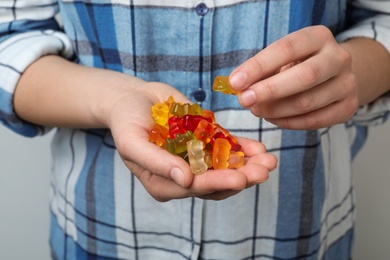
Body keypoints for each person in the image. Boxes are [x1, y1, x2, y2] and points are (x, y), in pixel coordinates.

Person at [1, 0, 390, 259]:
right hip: (97, 236)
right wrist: (112, 99)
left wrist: (351, 72)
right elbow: (9, 39)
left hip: (305, 236)